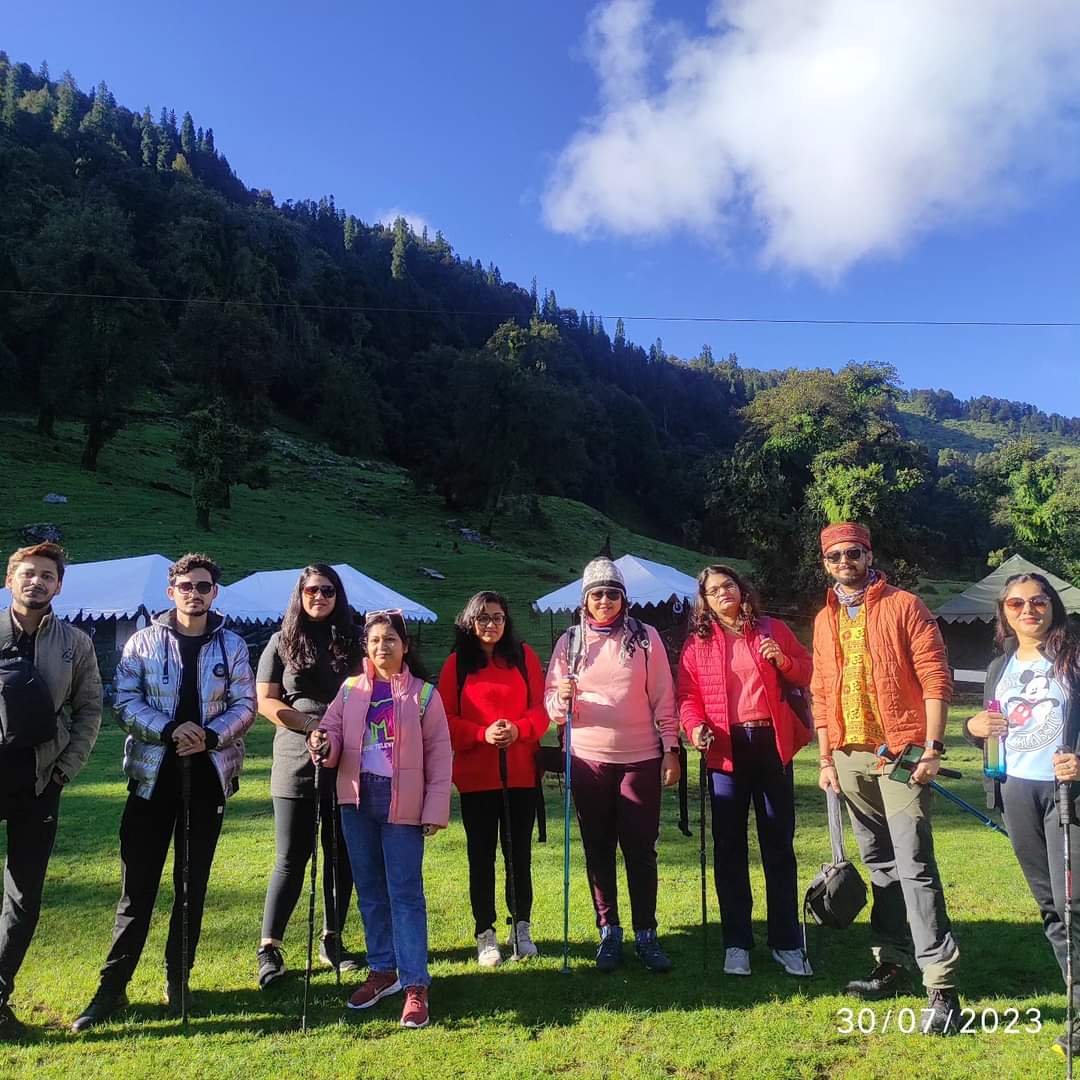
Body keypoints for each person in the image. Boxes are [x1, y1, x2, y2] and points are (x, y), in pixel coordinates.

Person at [72, 553, 256, 1031]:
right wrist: (171, 729)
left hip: (208, 779)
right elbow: (124, 700)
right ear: (171, 591)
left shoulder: (232, 645)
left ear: (215, 592)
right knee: (137, 892)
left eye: (204, 585)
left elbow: (246, 703)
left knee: (191, 887)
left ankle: (179, 980)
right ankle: (111, 988)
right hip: (152, 779)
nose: (195, 593)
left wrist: (211, 736)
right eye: (186, 585)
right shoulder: (142, 642)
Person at [812, 522, 961, 1035]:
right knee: (879, 865)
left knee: (915, 864)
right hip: (849, 756)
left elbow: (935, 676)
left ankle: (941, 985)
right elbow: (821, 690)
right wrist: (826, 759)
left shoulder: (904, 605)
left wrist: (934, 747)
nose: (844, 563)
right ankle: (892, 961)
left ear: (869, 554)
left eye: (852, 553)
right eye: (834, 557)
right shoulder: (823, 620)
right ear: (826, 564)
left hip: (901, 753)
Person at [308, 610, 451, 1029]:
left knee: (405, 893)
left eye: (390, 639)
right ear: (365, 647)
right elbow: (332, 736)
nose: (381, 647)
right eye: (374, 641)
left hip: (402, 803)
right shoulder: (350, 690)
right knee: (370, 890)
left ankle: (414, 983)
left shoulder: (425, 695)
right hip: (357, 801)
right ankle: (383, 969)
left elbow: (440, 756)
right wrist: (322, 742)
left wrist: (435, 808)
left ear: (405, 645)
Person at [543, 557, 681, 973]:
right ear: (585, 600)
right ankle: (610, 932)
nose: (605, 601)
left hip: (641, 757)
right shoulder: (569, 642)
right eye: (597, 594)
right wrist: (560, 698)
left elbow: (663, 695)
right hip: (587, 759)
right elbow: (551, 707)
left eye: (612, 594)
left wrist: (671, 747)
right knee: (598, 848)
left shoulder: (645, 638)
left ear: (624, 598)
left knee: (641, 849)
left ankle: (646, 934)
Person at [964, 572, 1080, 1057]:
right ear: (1004, 613)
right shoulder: (999, 666)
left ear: (1052, 605)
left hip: (1066, 795)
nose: (1027, 610)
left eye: (1037, 601)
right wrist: (972, 727)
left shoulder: (1074, 660)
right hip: (1016, 793)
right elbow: (988, 726)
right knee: (1052, 909)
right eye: (1016, 604)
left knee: (1074, 905)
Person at [678, 564, 813, 978]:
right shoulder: (697, 644)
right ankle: (736, 942)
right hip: (725, 751)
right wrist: (694, 726)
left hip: (771, 745)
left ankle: (786, 941)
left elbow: (808, 671)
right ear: (705, 599)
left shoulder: (772, 629)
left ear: (742, 589)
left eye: (728, 585)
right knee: (729, 848)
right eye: (713, 590)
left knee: (778, 846)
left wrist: (784, 660)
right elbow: (687, 696)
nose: (723, 594)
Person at [0, 543, 102, 1040]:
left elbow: (90, 709)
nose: (36, 582)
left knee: (23, 897)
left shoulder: (76, 643)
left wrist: (67, 769)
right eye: (27, 573)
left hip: (40, 780)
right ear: (8, 579)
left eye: (46, 575)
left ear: (58, 585)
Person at [254, 564, 363, 988]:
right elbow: (265, 701)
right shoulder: (280, 642)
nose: (320, 596)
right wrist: (308, 727)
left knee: (342, 855)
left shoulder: (355, 638)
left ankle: (332, 938)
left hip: (349, 757)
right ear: (300, 594)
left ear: (339, 595)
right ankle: (270, 948)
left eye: (328, 590)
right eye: (312, 590)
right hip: (296, 758)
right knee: (290, 857)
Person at [437, 591, 548, 967]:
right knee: (480, 857)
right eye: (483, 618)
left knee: (519, 854)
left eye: (498, 617)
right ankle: (485, 932)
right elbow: (444, 721)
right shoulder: (456, 665)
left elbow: (542, 710)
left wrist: (519, 730)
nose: (491, 624)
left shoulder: (524, 657)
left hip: (520, 773)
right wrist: (480, 734)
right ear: (470, 622)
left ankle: (521, 926)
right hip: (476, 777)